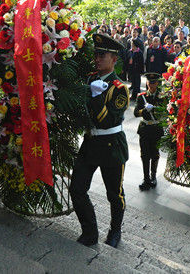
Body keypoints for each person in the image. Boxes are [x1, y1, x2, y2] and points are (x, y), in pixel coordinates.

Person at [70, 33, 129, 248]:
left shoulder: (119, 88)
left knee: (114, 194)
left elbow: (106, 120)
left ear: (114, 59)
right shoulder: (90, 79)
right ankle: (90, 231)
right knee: (77, 188)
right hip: (90, 143)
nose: (97, 59)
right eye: (96, 54)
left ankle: (115, 230)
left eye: (102, 55)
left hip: (111, 146)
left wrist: (95, 97)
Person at [134, 73, 165, 191]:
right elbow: (136, 113)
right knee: (144, 155)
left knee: (155, 154)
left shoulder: (162, 96)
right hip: (145, 129)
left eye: (153, 82)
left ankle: (153, 176)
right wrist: (144, 111)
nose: (151, 85)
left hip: (156, 129)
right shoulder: (141, 96)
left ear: (157, 83)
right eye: (149, 82)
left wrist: (155, 110)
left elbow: (165, 112)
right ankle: (145, 178)